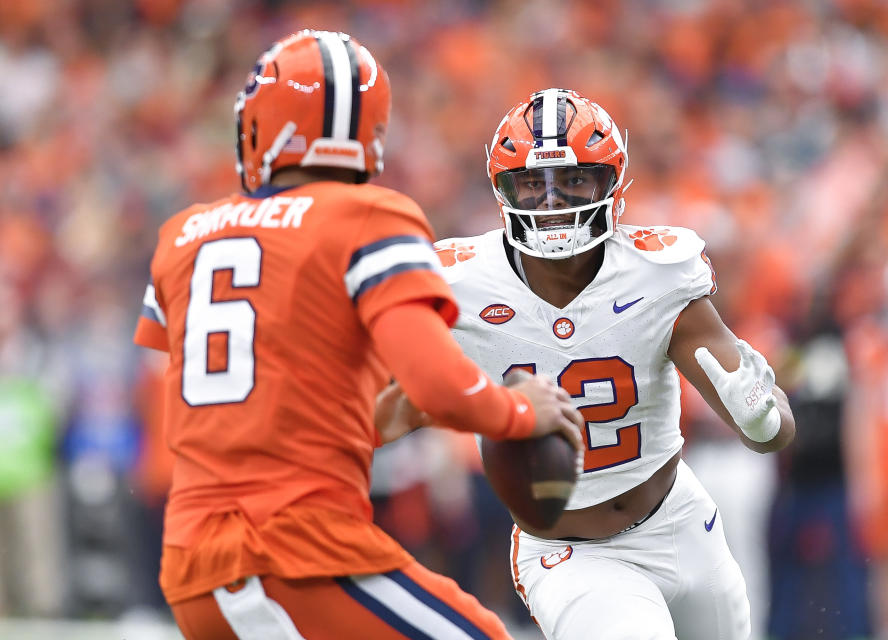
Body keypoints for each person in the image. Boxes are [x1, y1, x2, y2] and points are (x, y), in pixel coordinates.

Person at [132, 32, 583, 640]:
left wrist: (376, 422)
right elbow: (438, 382)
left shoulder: (182, 237)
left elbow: (235, 420)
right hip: (301, 554)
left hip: (194, 567)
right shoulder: (368, 216)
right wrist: (520, 411)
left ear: (263, 125)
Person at [433, 88, 796, 640]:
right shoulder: (459, 284)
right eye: (533, 183)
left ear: (610, 181)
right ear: (504, 189)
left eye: (573, 180)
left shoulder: (659, 274)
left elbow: (774, 433)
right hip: (567, 550)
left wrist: (762, 421)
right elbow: (376, 393)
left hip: (678, 522)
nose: (553, 201)